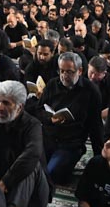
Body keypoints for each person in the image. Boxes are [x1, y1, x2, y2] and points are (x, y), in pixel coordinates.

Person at [0, 80, 51, 207]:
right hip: (2, 187)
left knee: (31, 164)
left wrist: (5, 182)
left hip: (34, 190)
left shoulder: (32, 125)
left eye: (6, 103)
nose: (0, 107)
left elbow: (32, 155)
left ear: (20, 107)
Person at [36, 51, 104, 187]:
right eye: (61, 71)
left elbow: (95, 125)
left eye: (69, 72)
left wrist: (99, 159)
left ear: (80, 71)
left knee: (50, 174)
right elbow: (38, 110)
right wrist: (50, 119)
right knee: (32, 169)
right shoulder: (52, 84)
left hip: (71, 143)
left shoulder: (91, 91)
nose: (64, 75)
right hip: (48, 138)